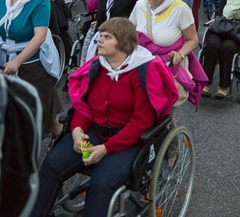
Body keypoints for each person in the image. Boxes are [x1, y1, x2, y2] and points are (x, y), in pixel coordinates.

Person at [31, 17, 178, 217]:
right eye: (100, 35)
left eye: (107, 37)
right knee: (51, 165)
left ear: (123, 43)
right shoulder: (98, 66)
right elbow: (84, 107)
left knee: (101, 185)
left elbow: (141, 123)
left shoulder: (143, 70)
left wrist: (106, 149)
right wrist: (77, 131)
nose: (99, 40)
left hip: (128, 142)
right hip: (94, 134)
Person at [0, 0, 61, 137]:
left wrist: (17, 61)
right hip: (7, 61)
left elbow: (40, 36)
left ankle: (80, 151)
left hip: (33, 64)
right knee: (49, 112)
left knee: (38, 114)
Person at [129, 0, 207, 107]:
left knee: (161, 112)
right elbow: (130, 34)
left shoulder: (180, 8)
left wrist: (180, 54)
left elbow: (192, 39)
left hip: (167, 66)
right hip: (141, 67)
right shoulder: (139, 6)